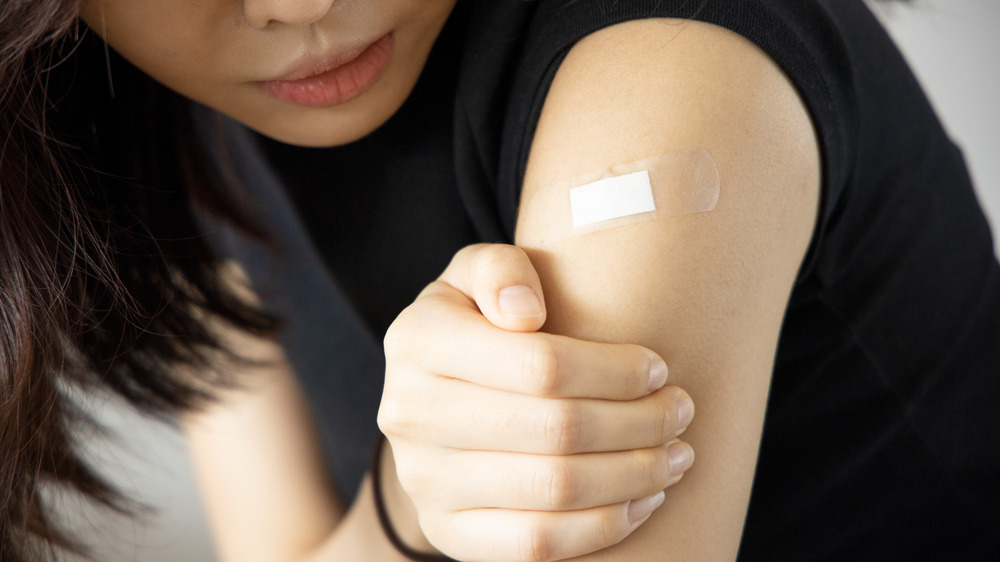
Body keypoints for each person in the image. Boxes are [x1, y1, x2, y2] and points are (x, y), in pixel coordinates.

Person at [1, 0, 998, 561]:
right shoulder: (161, 114)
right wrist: (403, 503)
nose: (301, 3)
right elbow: (279, 541)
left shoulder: (665, 85)